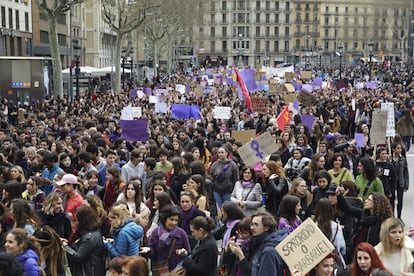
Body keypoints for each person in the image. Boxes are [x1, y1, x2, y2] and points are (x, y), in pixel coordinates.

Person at [336, 191, 393, 260]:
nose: (366, 201)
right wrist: (339, 196)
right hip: (356, 252)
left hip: (371, 255)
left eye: (369, 200)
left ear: (377, 203)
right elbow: (348, 209)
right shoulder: (364, 214)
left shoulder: (383, 222)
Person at [227, 211, 288, 276]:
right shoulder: (258, 243)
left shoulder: (268, 251)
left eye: (256, 224)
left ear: (266, 228)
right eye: (252, 224)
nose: (252, 228)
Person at [64, 206, 106, 276]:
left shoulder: (89, 238)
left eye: (77, 220)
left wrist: (65, 246)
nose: (75, 223)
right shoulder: (92, 233)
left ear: (83, 221)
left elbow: (78, 257)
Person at [147, 206, 190, 274]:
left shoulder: (181, 234)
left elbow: (188, 252)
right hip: (160, 271)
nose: (174, 223)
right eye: (171, 219)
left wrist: (183, 253)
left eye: (176, 220)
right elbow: (153, 255)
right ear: (164, 219)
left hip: (176, 271)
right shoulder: (155, 233)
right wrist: (148, 251)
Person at [314, 198, 346, 267]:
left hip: (317, 263)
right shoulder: (337, 227)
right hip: (333, 261)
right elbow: (342, 247)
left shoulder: (313, 227)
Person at [391, 142, 409, 219]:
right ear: (393, 149)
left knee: (400, 200)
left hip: (400, 182)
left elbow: (406, 172)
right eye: (398, 148)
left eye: (400, 148)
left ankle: (399, 216)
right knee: (391, 200)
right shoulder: (390, 159)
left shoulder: (403, 159)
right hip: (392, 182)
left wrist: (406, 183)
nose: (400, 150)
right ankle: (392, 216)